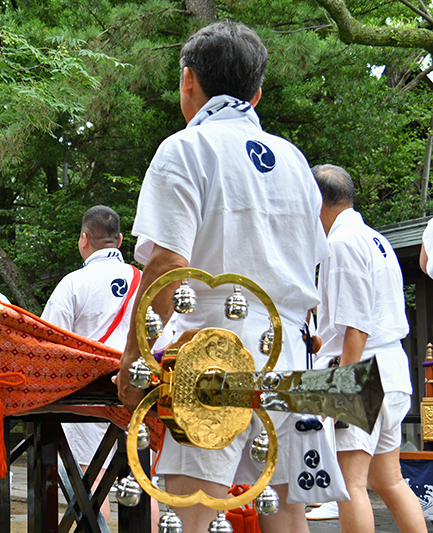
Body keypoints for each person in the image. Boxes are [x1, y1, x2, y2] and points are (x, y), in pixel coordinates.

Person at [116, 21, 329, 533]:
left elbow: (168, 264)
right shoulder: (296, 162)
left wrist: (133, 359)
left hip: (214, 348)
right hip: (290, 352)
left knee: (194, 512)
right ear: (256, 94)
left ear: (188, 80)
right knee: (286, 513)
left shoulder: (186, 149)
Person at [313, 164, 426, 533]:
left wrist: (339, 389)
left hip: (362, 371)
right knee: (388, 480)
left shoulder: (341, 243)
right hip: (391, 366)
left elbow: (355, 326)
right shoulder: (375, 238)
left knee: (351, 484)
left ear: (317, 201)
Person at [41, 205, 139, 525]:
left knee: (92, 484)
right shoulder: (144, 282)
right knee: (140, 483)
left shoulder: (73, 283)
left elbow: (48, 346)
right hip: (139, 394)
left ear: (84, 239)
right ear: (120, 240)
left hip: (89, 398)